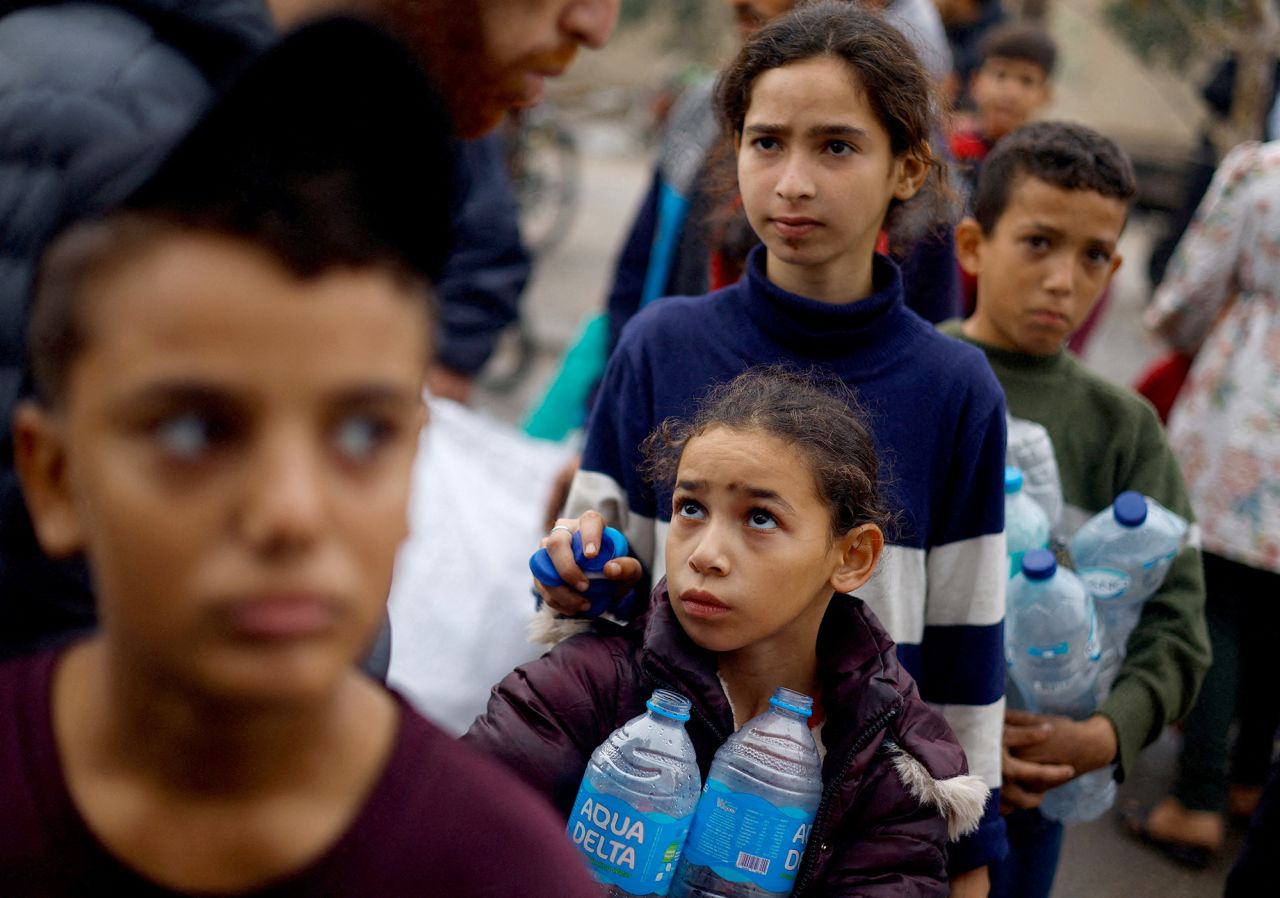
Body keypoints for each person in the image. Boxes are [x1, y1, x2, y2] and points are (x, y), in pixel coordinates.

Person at [0, 20, 605, 897]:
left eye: (362, 434)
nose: (290, 512)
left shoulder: (501, 869)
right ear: (53, 477)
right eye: (195, 432)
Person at [540, 4, 1009, 892]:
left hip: (859, 829)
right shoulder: (660, 344)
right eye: (765, 143)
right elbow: (584, 597)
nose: (792, 182)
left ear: (908, 166)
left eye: (836, 146)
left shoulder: (956, 389)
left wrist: (968, 849)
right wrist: (573, 575)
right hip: (648, 816)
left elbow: (966, 646)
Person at [468, 368, 990, 896]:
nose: (705, 555)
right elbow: (449, 844)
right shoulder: (584, 687)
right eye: (690, 509)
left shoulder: (890, 761)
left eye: (760, 518)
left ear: (854, 556)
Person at [942, 121, 1211, 897]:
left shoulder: (1124, 429)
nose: (1065, 278)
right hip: (894, 777)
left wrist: (1104, 732)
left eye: (1093, 255)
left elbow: (1178, 621)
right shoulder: (913, 376)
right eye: (1038, 243)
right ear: (971, 246)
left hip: (1040, 786)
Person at [1135, 139, 1280, 868]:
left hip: (1245, 404)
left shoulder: (1262, 172)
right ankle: (1254, 777)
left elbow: (1189, 296)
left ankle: (1197, 798)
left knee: (1217, 602)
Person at [948, 21, 1056, 201]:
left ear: (1044, 96)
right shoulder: (951, 145)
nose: (1010, 92)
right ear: (975, 83)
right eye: (1000, 75)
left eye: (1026, 81)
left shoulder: (1038, 166)